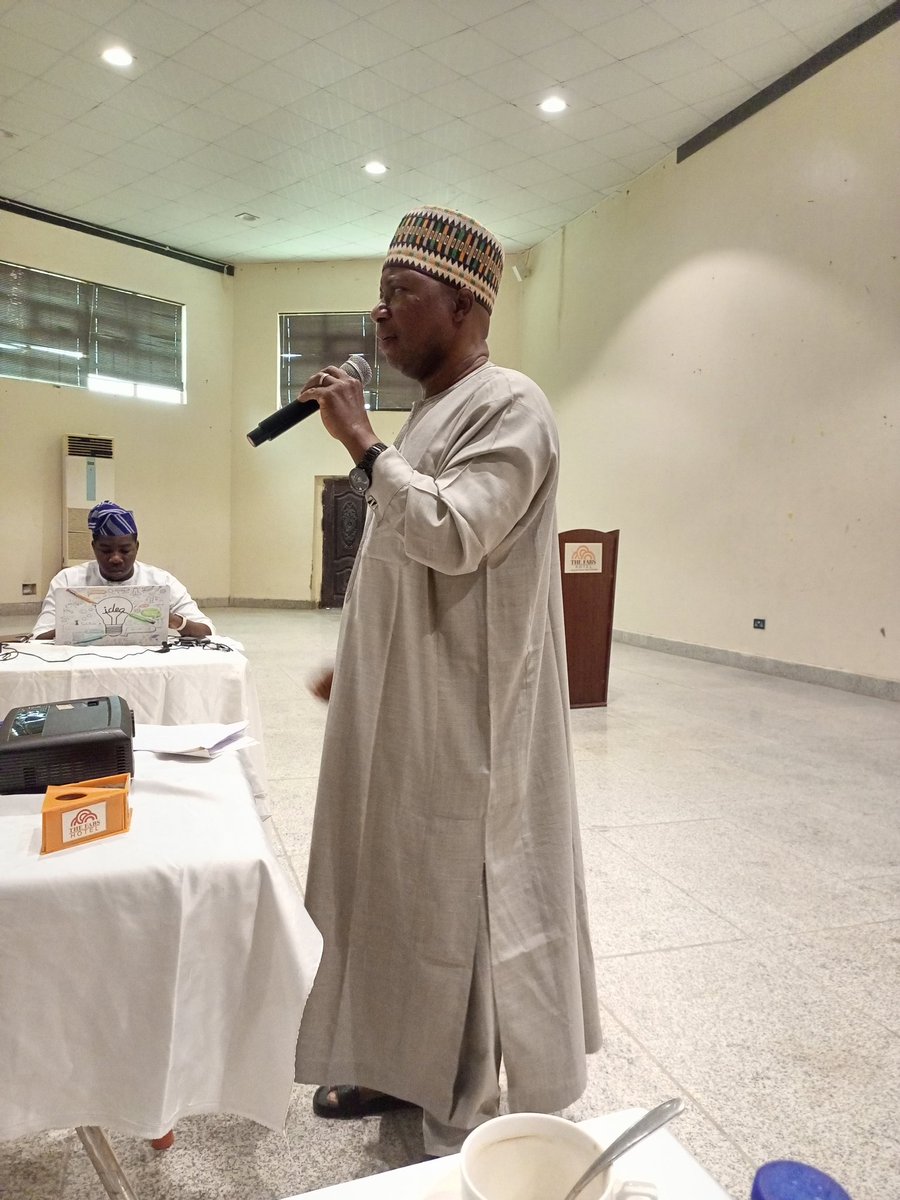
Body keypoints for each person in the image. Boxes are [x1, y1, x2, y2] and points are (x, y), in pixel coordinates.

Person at [293, 207, 601, 1157]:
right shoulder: (430, 413)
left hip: (465, 722)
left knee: (453, 904)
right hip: (400, 708)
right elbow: (401, 562)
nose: (381, 317)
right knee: (391, 892)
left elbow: (456, 533)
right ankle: (394, 1059)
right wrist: (363, 665)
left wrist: (363, 446)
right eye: (379, 296)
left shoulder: (514, 404)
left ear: (464, 305)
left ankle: (461, 1093)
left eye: (401, 295)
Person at [32, 500, 214, 641]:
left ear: (137, 547)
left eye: (125, 550)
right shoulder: (67, 581)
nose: (116, 558)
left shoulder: (161, 582)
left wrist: (172, 620)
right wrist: (80, 625)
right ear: (94, 547)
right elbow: (39, 636)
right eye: (106, 550)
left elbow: (207, 630)